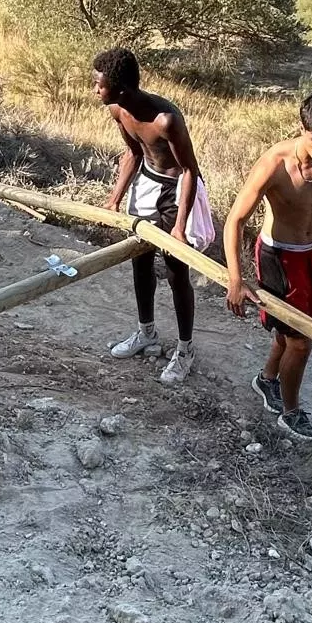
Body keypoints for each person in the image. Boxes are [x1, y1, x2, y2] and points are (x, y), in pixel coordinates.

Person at [223, 87, 312, 444]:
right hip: (279, 257)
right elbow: (235, 220)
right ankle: (291, 412)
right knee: (301, 342)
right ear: (303, 128)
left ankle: (267, 381)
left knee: (293, 334)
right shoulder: (275, 163)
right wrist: (236, 279)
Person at [92, 46, 215, 386]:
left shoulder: (166, 120)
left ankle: (185, 350)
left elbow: (190, 170)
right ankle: (146, 332)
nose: (95, 90)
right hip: (147, 182)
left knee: (176, 271)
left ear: (120, 89)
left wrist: (179, 227)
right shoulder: (118, 110)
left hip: (178, 189)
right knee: (140, 260)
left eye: (99, 85)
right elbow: (133, 153)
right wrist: (113, 201)